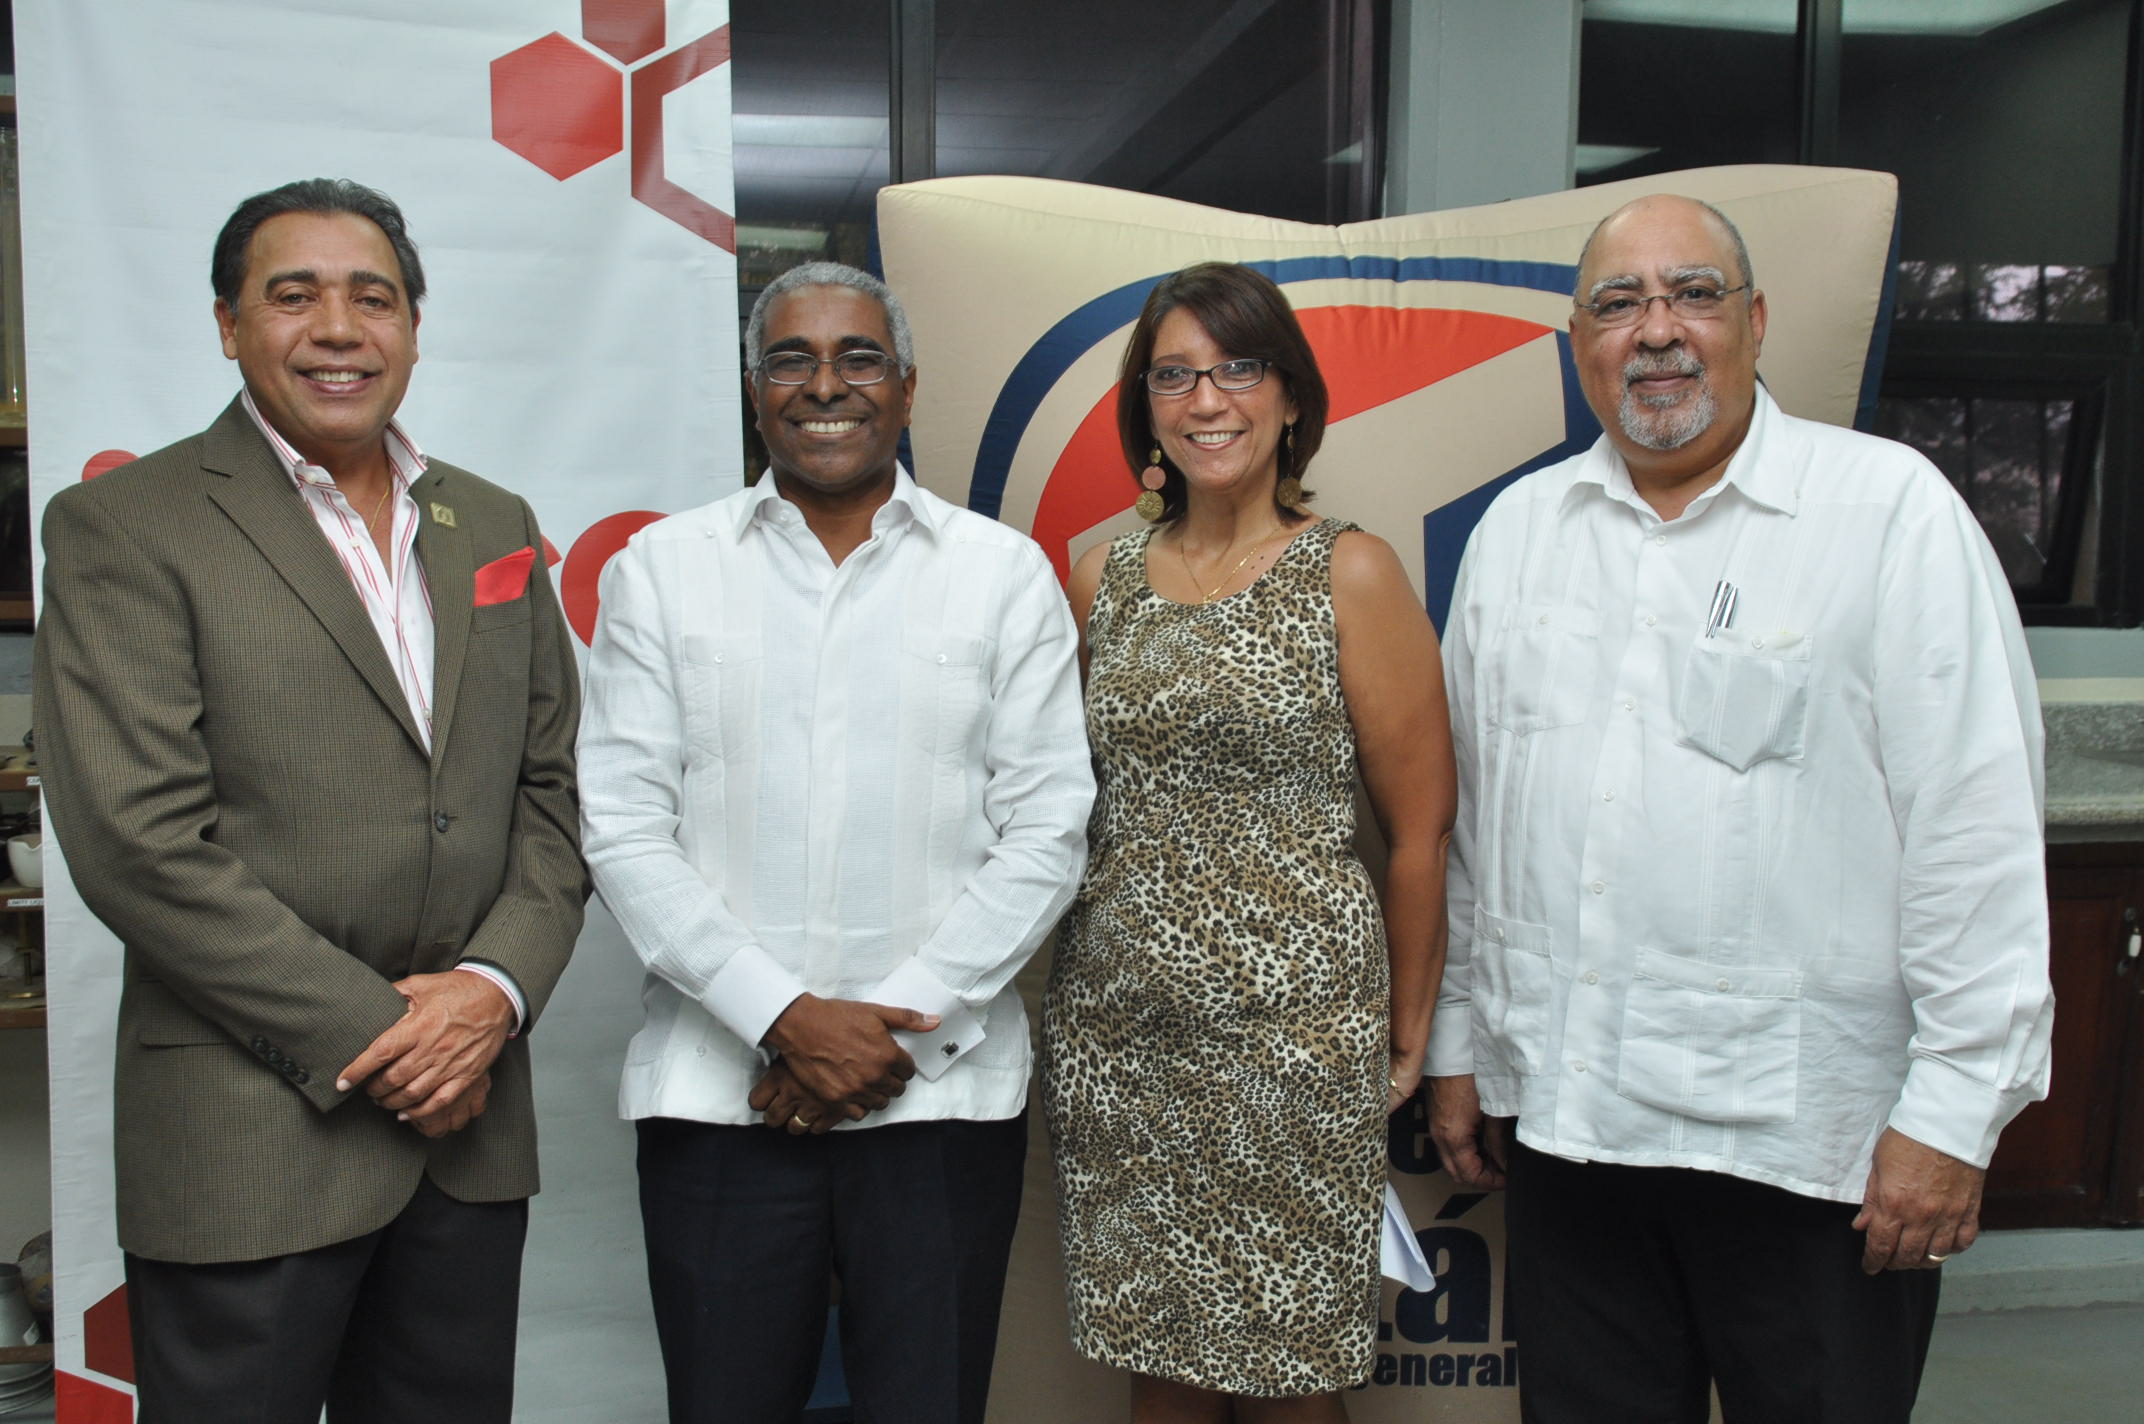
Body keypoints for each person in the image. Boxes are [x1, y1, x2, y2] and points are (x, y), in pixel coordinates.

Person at [1428, 194, 2054, 1423]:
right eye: (1617, 304)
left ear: (1754, 321)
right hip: (1573, 1130)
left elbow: (1972, 833)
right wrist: (1460, 1038)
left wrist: (1951, 1116)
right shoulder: (1519, 535)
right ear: (1577, 344)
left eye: (1691, 295)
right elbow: (1476, 824)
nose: (1654, 331)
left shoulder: (1886, 513)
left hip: (1807, 1151)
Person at [34, 178, 586, 1422]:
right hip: (248, 1137)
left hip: (468, 1136)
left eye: (372, 296)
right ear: (228, 324)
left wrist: (490, 995)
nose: (338, 326)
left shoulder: (490, 522)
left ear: (412, 327)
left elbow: (553, 797)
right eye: (295, 294)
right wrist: (395, 1037)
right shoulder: (127, 525)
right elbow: (137, 843)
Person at [578, 260, 1094, 1424]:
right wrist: (782, 1014)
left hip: (940, 1100)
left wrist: (891, 1025)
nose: (826, 385)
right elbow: (618, 821)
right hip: (721, 1094)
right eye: (791, 359)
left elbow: (1048, 827)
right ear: (754, 392)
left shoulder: (999, 575)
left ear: (906, 388)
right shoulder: (661, 570)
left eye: (858, 358)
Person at [1042, 261, 1455, 1422]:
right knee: (1157, 1361)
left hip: (1295, 1048)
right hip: (1121, 1040)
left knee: (1286, 1376)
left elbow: (1419, 830)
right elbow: (1058, 804)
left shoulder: (1350, 572)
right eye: (1173, 375)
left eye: (1235, 366)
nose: (1206, 399)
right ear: (1147, 410)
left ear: (1286, 396)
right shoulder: (1098, 579)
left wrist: (1407, 1039)